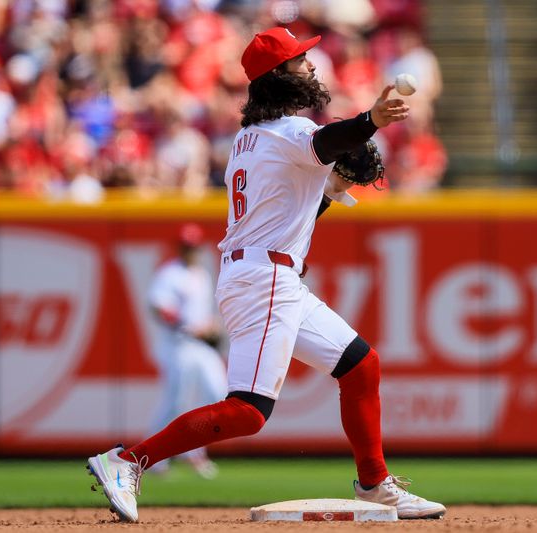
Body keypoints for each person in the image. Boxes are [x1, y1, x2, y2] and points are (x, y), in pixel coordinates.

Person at [86, 27, 447, 523]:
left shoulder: (251, 139)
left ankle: (374, 484)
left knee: (361, 366)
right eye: (300, 60)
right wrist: (371, 120)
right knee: (249, 411)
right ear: (279, 76)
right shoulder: (291, 134)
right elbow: (328, 138)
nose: (311, 65)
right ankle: (127, 461)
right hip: (265, 280)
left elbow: (289, 214)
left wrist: (330, 187)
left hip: (269, 274)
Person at [146, 223, 227, 479]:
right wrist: (189, 325)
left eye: (193, 246)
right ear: (179, 247)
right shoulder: (169, 273)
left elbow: (205, 312)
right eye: (186, 246)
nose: (189, 250)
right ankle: (151, 457)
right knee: (175, 402)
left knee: (219, 394)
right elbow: (158, 307)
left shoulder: (202, 274)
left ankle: (194, 451)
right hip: (177, 345)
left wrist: (211, 325)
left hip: (201, 347)